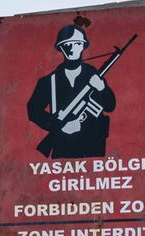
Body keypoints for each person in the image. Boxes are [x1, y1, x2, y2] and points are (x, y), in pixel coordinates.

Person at [27, 25, 116, 158]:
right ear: (61, 48)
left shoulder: (94, 76)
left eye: (77, 43)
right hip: (64, 149)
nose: (72, 48)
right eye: (67, 44)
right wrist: (59, 126)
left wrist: (102, 88)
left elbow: (110, 106)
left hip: (93, 149)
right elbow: (33, 110)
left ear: (83, 46)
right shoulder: (49, 81)